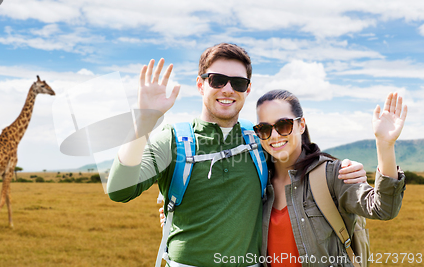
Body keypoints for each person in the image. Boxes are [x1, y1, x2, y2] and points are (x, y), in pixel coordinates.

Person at [107, 43, 366, 267]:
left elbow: (299, 161)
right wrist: (142, 123)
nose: (228, 89)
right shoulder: (172, 138)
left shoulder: (260, 139)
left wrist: (344, 166)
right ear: (201, 84)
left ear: (247, 90)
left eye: (238, 83)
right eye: (217, 80)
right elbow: (120, 190)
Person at [255, 90, 406, 266]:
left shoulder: (331, 174)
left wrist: (385, 145)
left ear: (301, 125)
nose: (274, 136)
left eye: (283, 125)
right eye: (264, 128)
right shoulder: (258, 183)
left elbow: (384, 208)